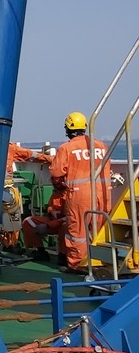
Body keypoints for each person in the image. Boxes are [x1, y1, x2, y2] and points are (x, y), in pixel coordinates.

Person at [49, 111, 113, 271]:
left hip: (79, 195)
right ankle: (101, 261)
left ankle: (76, 264)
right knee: (100, 228)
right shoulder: (100, 146)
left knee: (77, 231)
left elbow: (56, 173)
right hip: (103, 193)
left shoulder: (66, 148)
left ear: (68, 129)